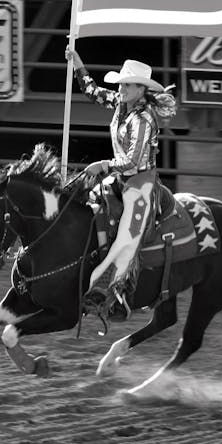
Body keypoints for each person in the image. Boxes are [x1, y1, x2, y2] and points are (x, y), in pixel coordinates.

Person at [65, 47, 177, 322]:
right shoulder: (120, 103)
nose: (122, 88)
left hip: (140, 184)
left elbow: (133, 160)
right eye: (122, 84)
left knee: (128, 238)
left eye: (127, 85)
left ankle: (112, 293)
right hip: (121, 178)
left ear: (141, 90)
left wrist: (103, 165)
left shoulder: (144, 118)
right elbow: (91, 91)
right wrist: (78, 63)